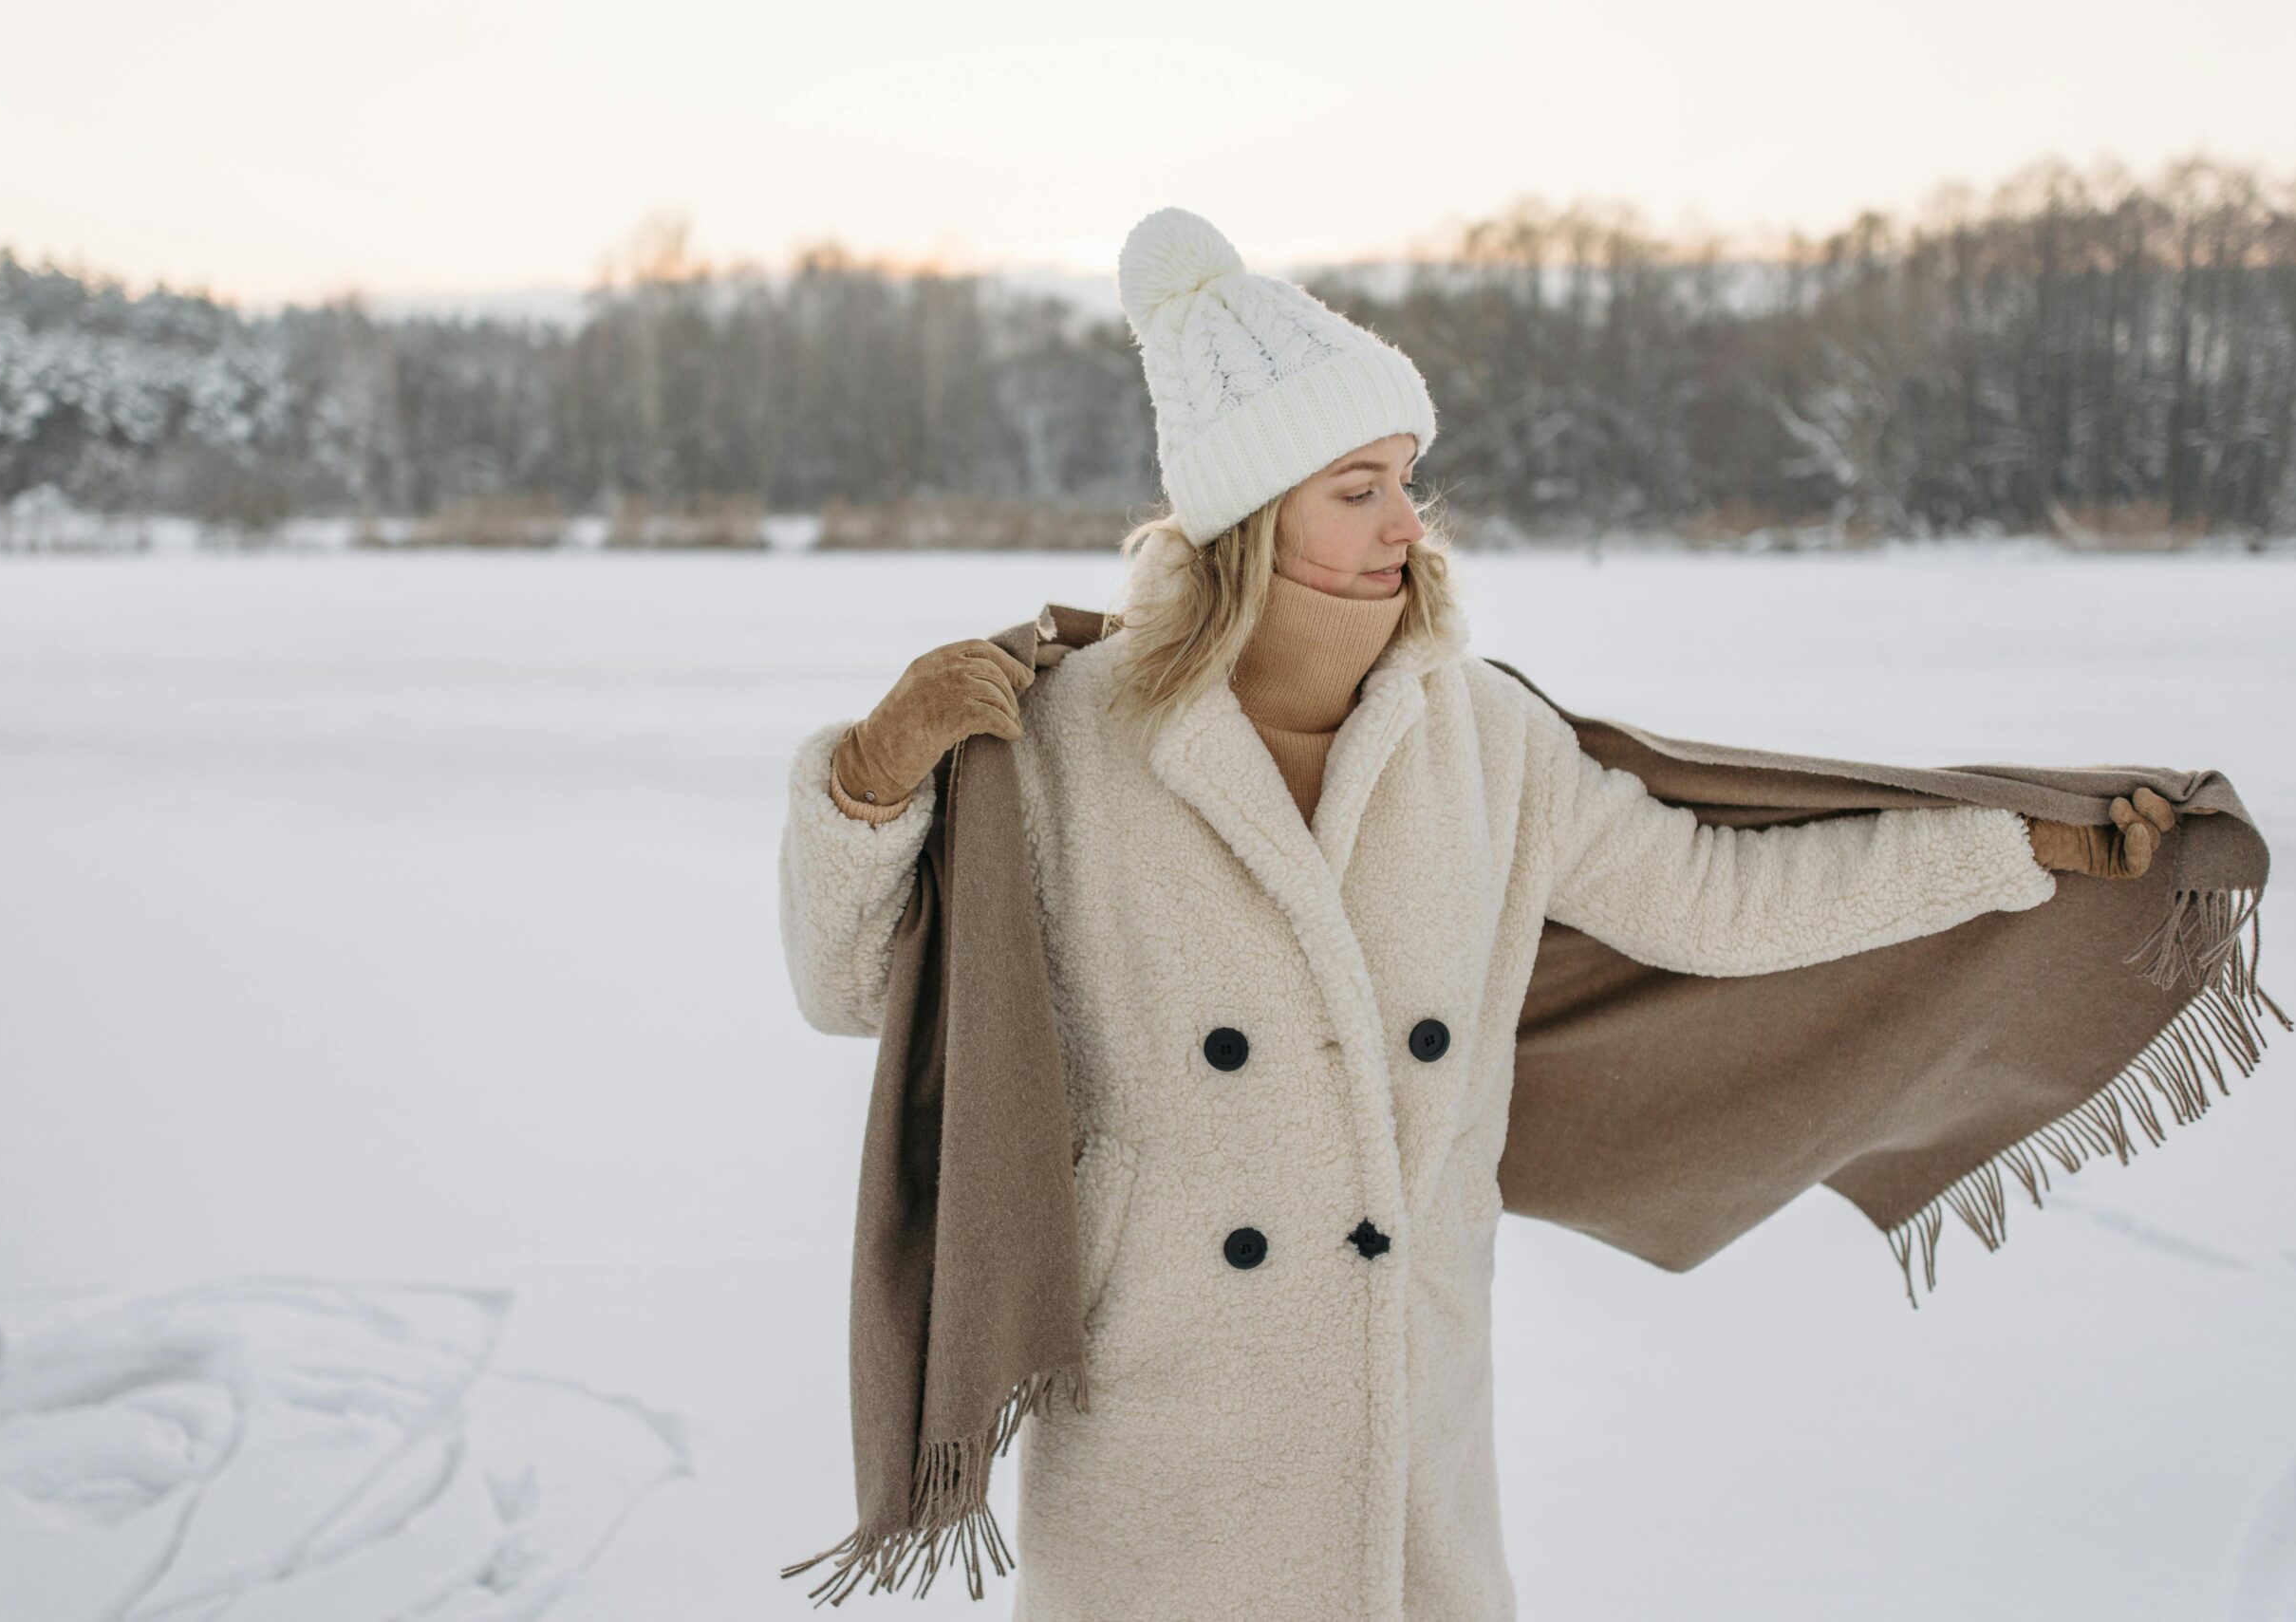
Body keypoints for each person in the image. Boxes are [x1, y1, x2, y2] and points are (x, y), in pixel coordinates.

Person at [775, 206, 2174, 1622]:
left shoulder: (1482, 736)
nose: (1408, 523)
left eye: (1407, 478)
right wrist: (866, 784)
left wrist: (2005, 850)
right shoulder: (1072, 739)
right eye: (1358, 487)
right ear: (1253, 514)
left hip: (1405, 1420)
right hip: (1160, 1420)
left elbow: (1721, 899)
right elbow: (850, 990)